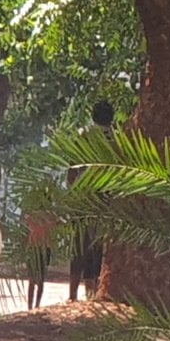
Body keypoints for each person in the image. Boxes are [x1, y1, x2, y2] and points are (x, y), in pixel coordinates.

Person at [69, 100, 116, 301]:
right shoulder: (115, 138)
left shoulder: (83, 135)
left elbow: (72, 168)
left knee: (79, 245)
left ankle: (72, 294)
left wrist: (72, 191)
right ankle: (91, 293)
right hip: (103, 198)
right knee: (96, 247)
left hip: (82, 197)